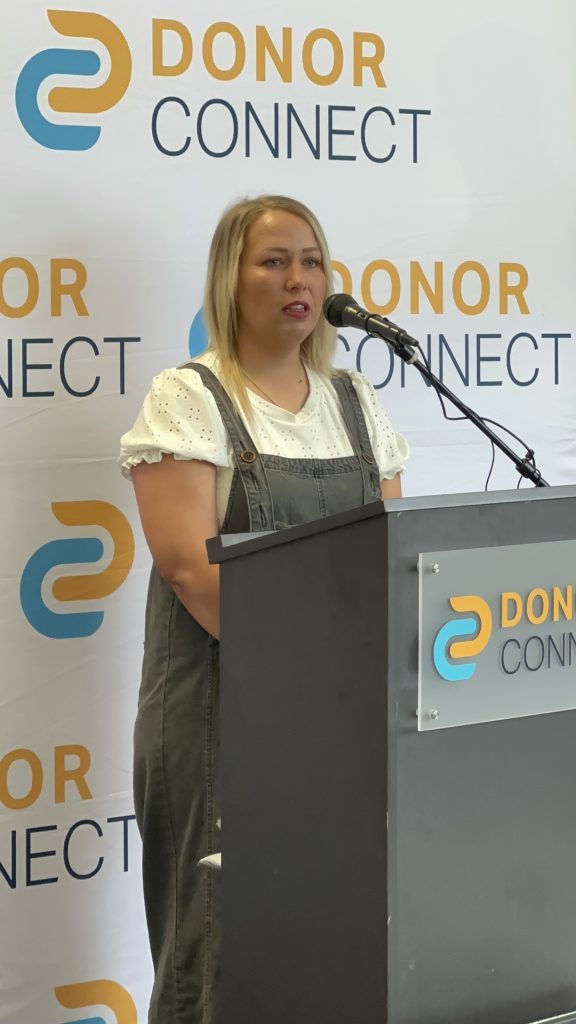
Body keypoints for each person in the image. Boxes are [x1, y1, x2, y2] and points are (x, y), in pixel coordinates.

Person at [119, 194, 408, 1023]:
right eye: (274, 261)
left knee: (331, 947)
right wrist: (310, 673)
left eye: (312, 261)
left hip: (339, 723)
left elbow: (387, 556)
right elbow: (186, 566)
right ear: (230, 278)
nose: (298, 279)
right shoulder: (188, 397)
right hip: (218, 717)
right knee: (214, 953)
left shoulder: (356, 401)